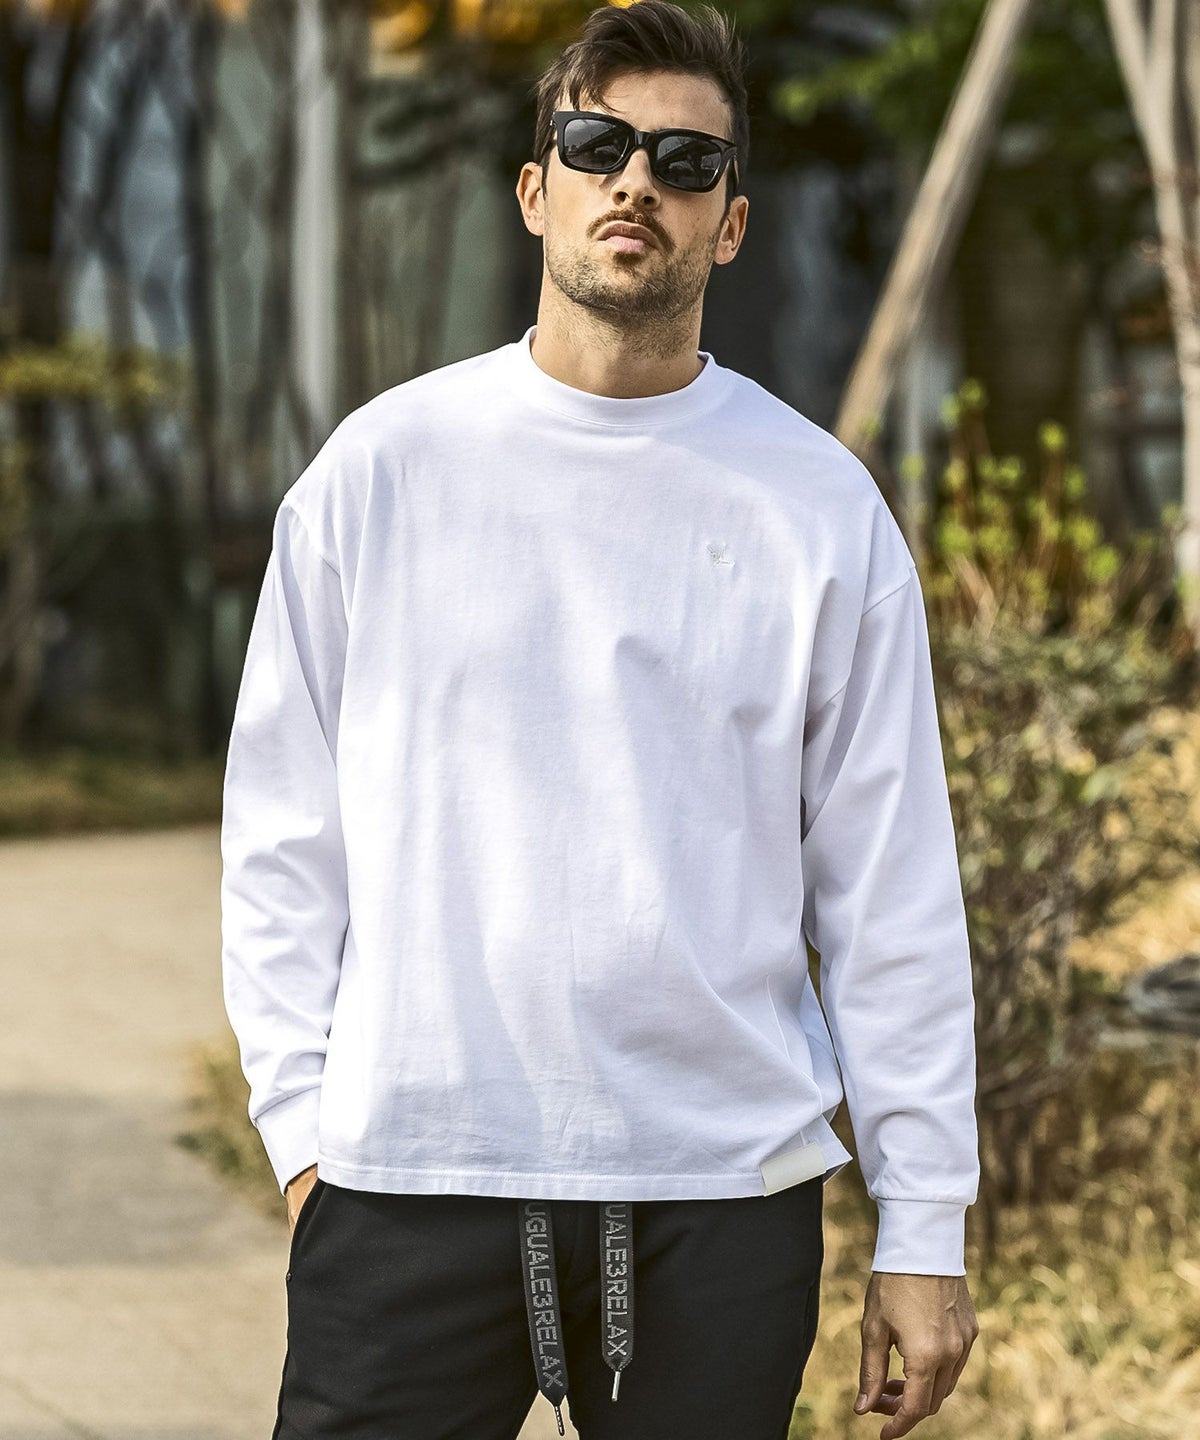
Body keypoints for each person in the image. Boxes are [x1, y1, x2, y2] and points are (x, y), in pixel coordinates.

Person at [219, 3, 980, 1438]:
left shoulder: (817, 506)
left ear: (730, 226)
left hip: (719, 1189)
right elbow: (281, 834)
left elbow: (890, 887)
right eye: (597, 144)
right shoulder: (382, 473)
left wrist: (923, 1222)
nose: (637, 182)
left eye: (685, 162)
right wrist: (300, 1131)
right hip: (414, 1177)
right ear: (536, 189)